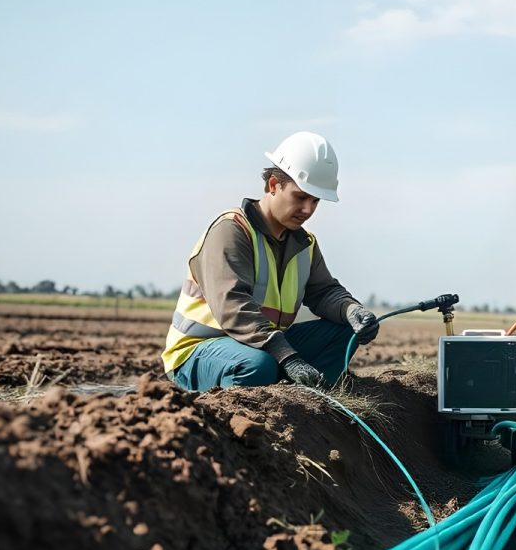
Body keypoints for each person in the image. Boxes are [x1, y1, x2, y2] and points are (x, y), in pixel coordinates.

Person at [161, 131, 379, 391]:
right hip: (199, 350)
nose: (308, 210)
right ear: (273, 185)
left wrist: (351, 311)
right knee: (258, 366)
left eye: (315, 200)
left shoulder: (304, 244)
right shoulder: (232, 231)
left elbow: (323, 292)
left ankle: (310, 398)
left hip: (259, 344)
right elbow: (234, 307)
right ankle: (235, 413)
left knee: (346, 333)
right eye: (300, 197)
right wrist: (287, 357)